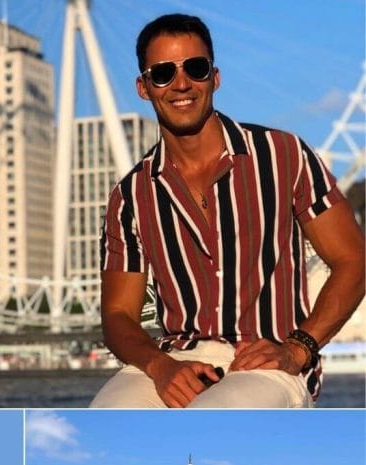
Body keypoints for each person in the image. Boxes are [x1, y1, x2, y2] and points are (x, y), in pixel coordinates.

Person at [92, 12, 365, 409]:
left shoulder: (284, 155)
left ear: (214, 78)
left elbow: (354, 259)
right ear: (144, 86)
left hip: (268, 362)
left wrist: (298, 348)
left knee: (216, 416)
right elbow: (118, 314)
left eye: (196, 68)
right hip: (174, 359)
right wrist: (159, 365)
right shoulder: (130, 195)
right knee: (107, 419)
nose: (181, 83)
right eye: (164, 72)